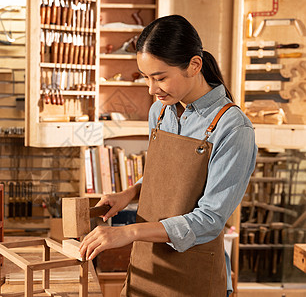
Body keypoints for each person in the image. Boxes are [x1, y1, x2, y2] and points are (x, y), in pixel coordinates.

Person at [79, 15, 257, 296]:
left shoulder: (233, 128)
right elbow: (167, 179)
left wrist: (129, 232)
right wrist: (130, 193)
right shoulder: (159, 112)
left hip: (194, 273)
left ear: (194, 65)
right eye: (147, 77)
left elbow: (210, 219)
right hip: (147, 263)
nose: (152, 89)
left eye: (160, 77)